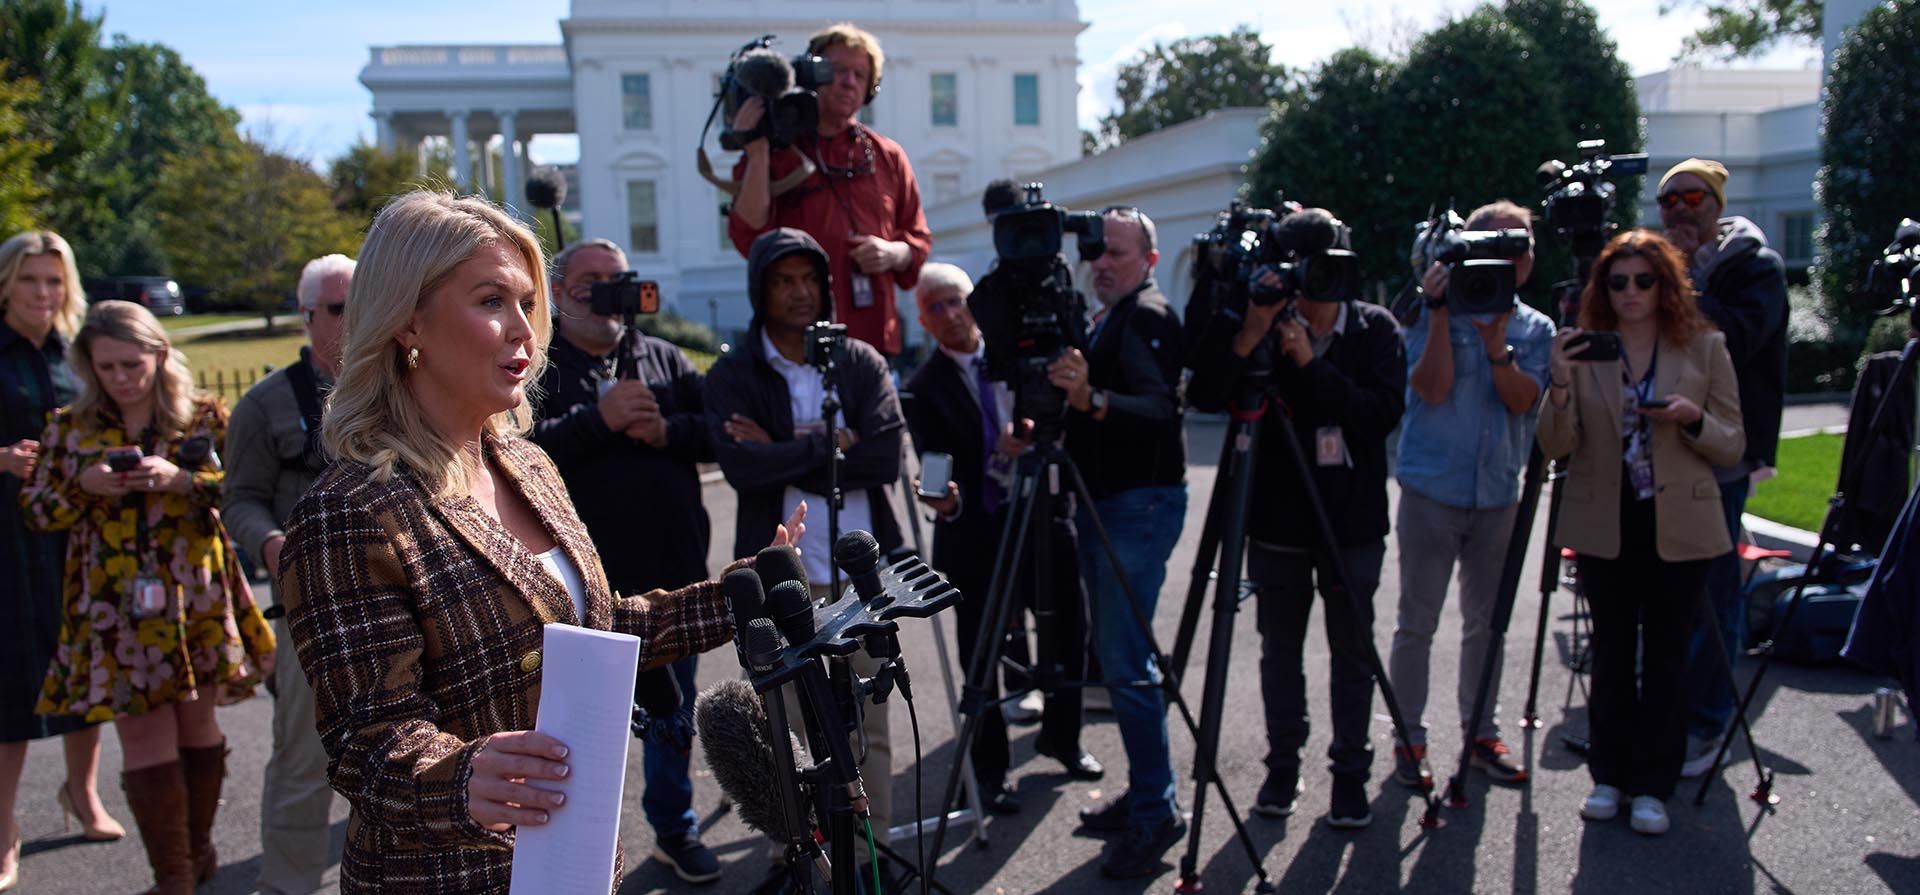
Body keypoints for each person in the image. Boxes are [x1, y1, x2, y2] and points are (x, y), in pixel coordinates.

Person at [273, 191, 793, 893]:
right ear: (407, 321)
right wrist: (458, 777)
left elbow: (596, 627)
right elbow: (369, 744)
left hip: (575, 864)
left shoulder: (526, 461)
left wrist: (742, 592)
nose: (525, 328)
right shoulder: (348, 513)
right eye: (491, 300)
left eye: (527, 301)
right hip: (450, 877)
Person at [21, 300, 275, 894]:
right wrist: (83, 486)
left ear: (160, 355)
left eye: (132, 364)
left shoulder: (203, 417)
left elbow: (239, 493)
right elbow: (36, 510)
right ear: (88, 366)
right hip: (114, 606)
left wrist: (180, 479)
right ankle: (175, 876)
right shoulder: (69, 427)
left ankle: (198, 847)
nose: (121, 378)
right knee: (142, 736)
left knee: (197, 727)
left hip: (196, 598)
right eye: (106, 367)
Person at [1186, 209, 1407, 830]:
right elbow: (1205, 395)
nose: (1313, 287)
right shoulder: (1257, 315)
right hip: (1277, 518)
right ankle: (1283, 764)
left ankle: (1349, 774)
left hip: (1351, 522)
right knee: (1279, 651)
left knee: (1352, 652)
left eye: (1324, 270)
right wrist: (1250, 334)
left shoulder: (1375, 330)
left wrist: (1310, 365)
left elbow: (1378, 415)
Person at [703, 227, 904, 890]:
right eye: (782, 279)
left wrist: (784, 443)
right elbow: (740, 465)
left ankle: (870, 855)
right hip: (782, 571)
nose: (798, 292)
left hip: (861, 572)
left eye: (808, 278)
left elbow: (882, 457)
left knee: (870, 719)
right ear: (760, 289)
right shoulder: (735, 371)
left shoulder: (860, 360)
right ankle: (799, 854)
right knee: (787, 725)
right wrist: (830, 440)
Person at [1539, 228, 1744, 835]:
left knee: (1665, 658)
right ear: (1602, 289)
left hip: (1678, 519)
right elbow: (1556, 445)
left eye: (1644, 281)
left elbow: (1734, 440)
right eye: (1617, 281)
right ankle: (1609, 775)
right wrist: (1556, 381)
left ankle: (1654, 783)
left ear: (1665, 284)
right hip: (1608, 518)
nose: (1631, 293)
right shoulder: (1583, 349)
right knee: (1609, 653)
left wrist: (1691, 418)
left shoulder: (1703, 346)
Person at [529, 238, 719, 883]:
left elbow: (718, 428)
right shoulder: (537, 371)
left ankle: (674, 827)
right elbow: (515, 456)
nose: (606, 295)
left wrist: (668, 432)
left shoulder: (661, 357)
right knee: (579, 726)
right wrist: (597, 419)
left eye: (618, 281)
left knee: (673, 714)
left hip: (673, 570)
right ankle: (572, 852)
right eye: (589, 283)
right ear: (557, 293)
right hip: (579, 584)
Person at [903, 262, 1099, 817]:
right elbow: (940, 468)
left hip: (1046, 512)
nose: (949, 314)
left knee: (1070, 632)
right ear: (922, 319)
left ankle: (1064, 738)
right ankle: (989, 771)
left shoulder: (1024, 354)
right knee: (980, 652)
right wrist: (956, 488)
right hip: (978, 531)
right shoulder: (922, 389)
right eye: (934, 307)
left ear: (975, 302)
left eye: (955, 300)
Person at [1387, 199, 1555, 791]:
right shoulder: (1427, 314)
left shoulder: (1535, 328)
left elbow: (1523, 402)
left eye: (1519, 244)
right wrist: (1438, 314)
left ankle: (1481, 731)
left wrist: (1495, 343)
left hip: (1497, 494)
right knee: (1417, 622)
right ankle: (1409, 736)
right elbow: (1429, 390)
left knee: (1488, 623)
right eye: (1492, 242)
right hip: (1433, 489)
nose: (1508, 254)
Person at [1046, 206, 1188, 879]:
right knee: (1122, 660)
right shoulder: (1114, 314)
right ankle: (1148, 793)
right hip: (1113, 504)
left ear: (1149, 260)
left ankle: (1156, 810)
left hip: (1138, 505)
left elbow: (1162, 410)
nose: (1102, 261)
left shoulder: (1150, 314)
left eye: (1118, 253)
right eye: (1097, 250)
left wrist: (1093, 400)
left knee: (1128, 664)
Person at [223, 252, 353, 895]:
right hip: (312, 605)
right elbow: (239, 497)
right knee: (305, 762)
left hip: (408, 597)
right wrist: (272, 544)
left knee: (415, 756)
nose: (352, 318)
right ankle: (286, 886)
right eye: (337, 307)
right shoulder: (265, 403)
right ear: (306, 316)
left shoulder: (411, 383)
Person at [1655, 158, 1790, 776]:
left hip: (1726, 449)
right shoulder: (1652, 270)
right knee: (1663, 589)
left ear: (1716, 203)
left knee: (1714, 588)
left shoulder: (1755, 266)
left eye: (1693, 197)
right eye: (1669, 201)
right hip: (1662, 449)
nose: (1681, 210)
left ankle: (1706, 722)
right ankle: (1662, 709)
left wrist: (1679, 284)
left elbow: (1737, 335)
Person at [0, 231, 123, 894]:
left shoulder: (76, 356)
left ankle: (83, 794)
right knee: (12, 677)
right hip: (7, 538)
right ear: (6, 284)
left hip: (75, 533)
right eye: (29, 281)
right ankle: (3, 828)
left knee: (85, 665)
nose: (42, 294)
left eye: (52, 281)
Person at [727, 21, 931, 357]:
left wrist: (892, 252)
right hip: (797, 343)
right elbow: (747, 235)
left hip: (872, 341)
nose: (848, 82)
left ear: (871, 88)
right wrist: (757, 149)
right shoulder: (778, 149)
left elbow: (919, 240)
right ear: (811, 77)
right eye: (836, 70)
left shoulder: (887, 156)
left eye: (859, 75)